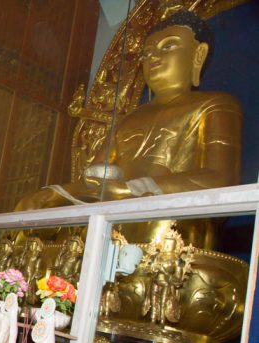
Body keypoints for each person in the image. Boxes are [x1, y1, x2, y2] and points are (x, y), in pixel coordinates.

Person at [14, 11, 242, 245]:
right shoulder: (127, 119)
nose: (153, 57)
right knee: (28, 216)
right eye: (147, 52)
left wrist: (135, 189)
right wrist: (52, 193)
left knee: (151, 225)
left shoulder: (216, 105)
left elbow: (221, 178)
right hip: (113, 210)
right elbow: (94, 181)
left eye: (168, 46)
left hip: (167, 222)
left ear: (198, 54)